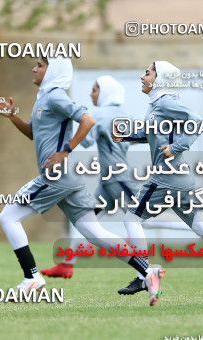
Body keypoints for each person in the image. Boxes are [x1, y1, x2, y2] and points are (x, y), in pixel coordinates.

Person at [0, 57, 165, 306]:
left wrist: (66, 150)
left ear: (53, 70)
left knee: (8, 217)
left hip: (57, 176)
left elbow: (87, 121)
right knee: (94, 232)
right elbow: (34, 133)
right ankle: (146, 271)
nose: (34, 68)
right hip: (67, 179)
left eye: (40, 65)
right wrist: (12, 116)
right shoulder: (44, 98)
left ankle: (32, 277)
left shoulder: (56, 96)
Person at [112, 61, 203, 290]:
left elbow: (196, 122)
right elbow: (152, 135)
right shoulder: (158, 103)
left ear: (161, 78)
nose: (142, 76)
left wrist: (177, 147)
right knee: (202, 226)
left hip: (165, 177)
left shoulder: (166, 102)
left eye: (148, 72)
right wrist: (126, 136)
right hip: (180, 177)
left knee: (131, 218)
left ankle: (144, 275)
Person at [41, 75, 149, 295]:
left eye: (95, 89)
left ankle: (145, 273)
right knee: (87, 221)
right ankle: (67, 263)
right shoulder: (126, 114)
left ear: (106, 91)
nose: (91, 93)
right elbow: (138, 138)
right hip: (110, 181)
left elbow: (87, 141)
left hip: (118, 180)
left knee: (136, 219)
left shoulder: (100, 114)